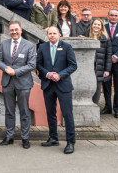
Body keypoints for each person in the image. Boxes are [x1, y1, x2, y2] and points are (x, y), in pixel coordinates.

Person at [37, 27, 77, 155]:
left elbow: (73, 65)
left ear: (59, 34)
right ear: (47, 35)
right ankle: (53, 138)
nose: (52, 35)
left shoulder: (67, 47)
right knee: (50, 113)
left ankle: (70, 142)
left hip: (63, 84)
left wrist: (60, 75)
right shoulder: (42, 47)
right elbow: (38, 65)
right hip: (48, 84)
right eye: (50, 33)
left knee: (67, 114)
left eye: (54, 33)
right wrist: (47, 74)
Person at [0, 21, 36, 148]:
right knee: (9, 111)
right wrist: (5, 68)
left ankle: (25, 138)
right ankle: (9, 136)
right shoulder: (4, 43)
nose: (14, 32)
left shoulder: (29, 45)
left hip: (23, 83)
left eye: (16, 30)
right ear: (9, 31)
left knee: (24, 111)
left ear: (21, 30)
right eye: (12, 30)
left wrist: (15, 71)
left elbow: (32, 64)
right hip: (7, 82)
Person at [90, 18, 112, 105]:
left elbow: (108, 55)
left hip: (100, 66)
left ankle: (95, 105)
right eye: (95, 24)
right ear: (92, 25)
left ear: (101, 27)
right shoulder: (87, 36)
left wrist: (107, 70)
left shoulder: (105, 38)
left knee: (98, 88)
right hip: (89, 66)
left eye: (99, 25)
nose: (96, 26)